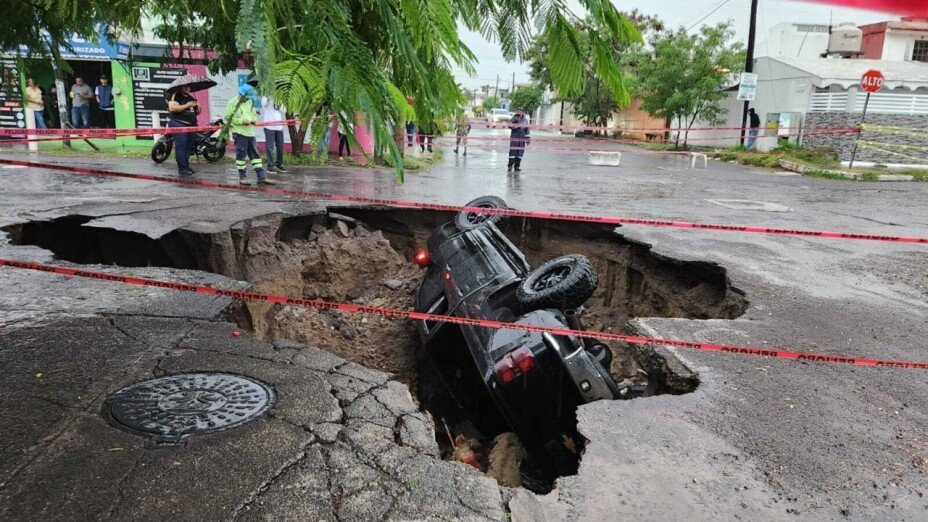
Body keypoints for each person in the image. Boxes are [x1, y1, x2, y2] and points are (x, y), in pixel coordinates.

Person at [226, 84, 275, 185]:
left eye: (248, 97)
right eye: (245, 96)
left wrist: (252, 120)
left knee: (255, 156)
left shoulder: (250, 102)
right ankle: (242, 177)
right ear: (241, 94)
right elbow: (228, 117)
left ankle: (261, 177)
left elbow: (254, 115)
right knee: (241, 155)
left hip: (250, 133)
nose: (246, 98)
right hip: (239, 133)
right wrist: (240, 121)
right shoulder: (232, 102)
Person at [167, 85, 201, 177]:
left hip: (192, 126)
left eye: (189, 87)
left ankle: (186, 166)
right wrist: (188, 105)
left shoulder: (191, 98)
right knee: (181, 147)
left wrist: (198, 109)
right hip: (179, 124)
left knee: (189, 147)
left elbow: (194, 112)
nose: (187, 88)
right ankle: (182, 169)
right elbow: (172, 108)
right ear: (181, 87)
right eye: (185, 87)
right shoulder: (175, 95)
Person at [260, 96, 288, 173]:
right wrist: (270, 98)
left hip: (279, 127)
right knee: (270, 147)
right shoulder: (265, 97)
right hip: (269, 127)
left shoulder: (279, 98)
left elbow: (284, 110)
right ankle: (270, 166)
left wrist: (278, 102)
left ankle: (279, 164)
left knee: (280, 146)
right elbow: (264, 104)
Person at [507, 108, 530, 172]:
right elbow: (509, 125)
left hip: (522, 139)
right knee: (513, 152)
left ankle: (517, 166)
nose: (519, 112)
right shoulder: (513, 118)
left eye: (521, 111)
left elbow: (527, 130)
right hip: (514, 138)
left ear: (523, 112)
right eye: (518, 111)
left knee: (520, 153)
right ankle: (510, 166)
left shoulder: (525, 120)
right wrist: (515, 121)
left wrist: (527, 138)